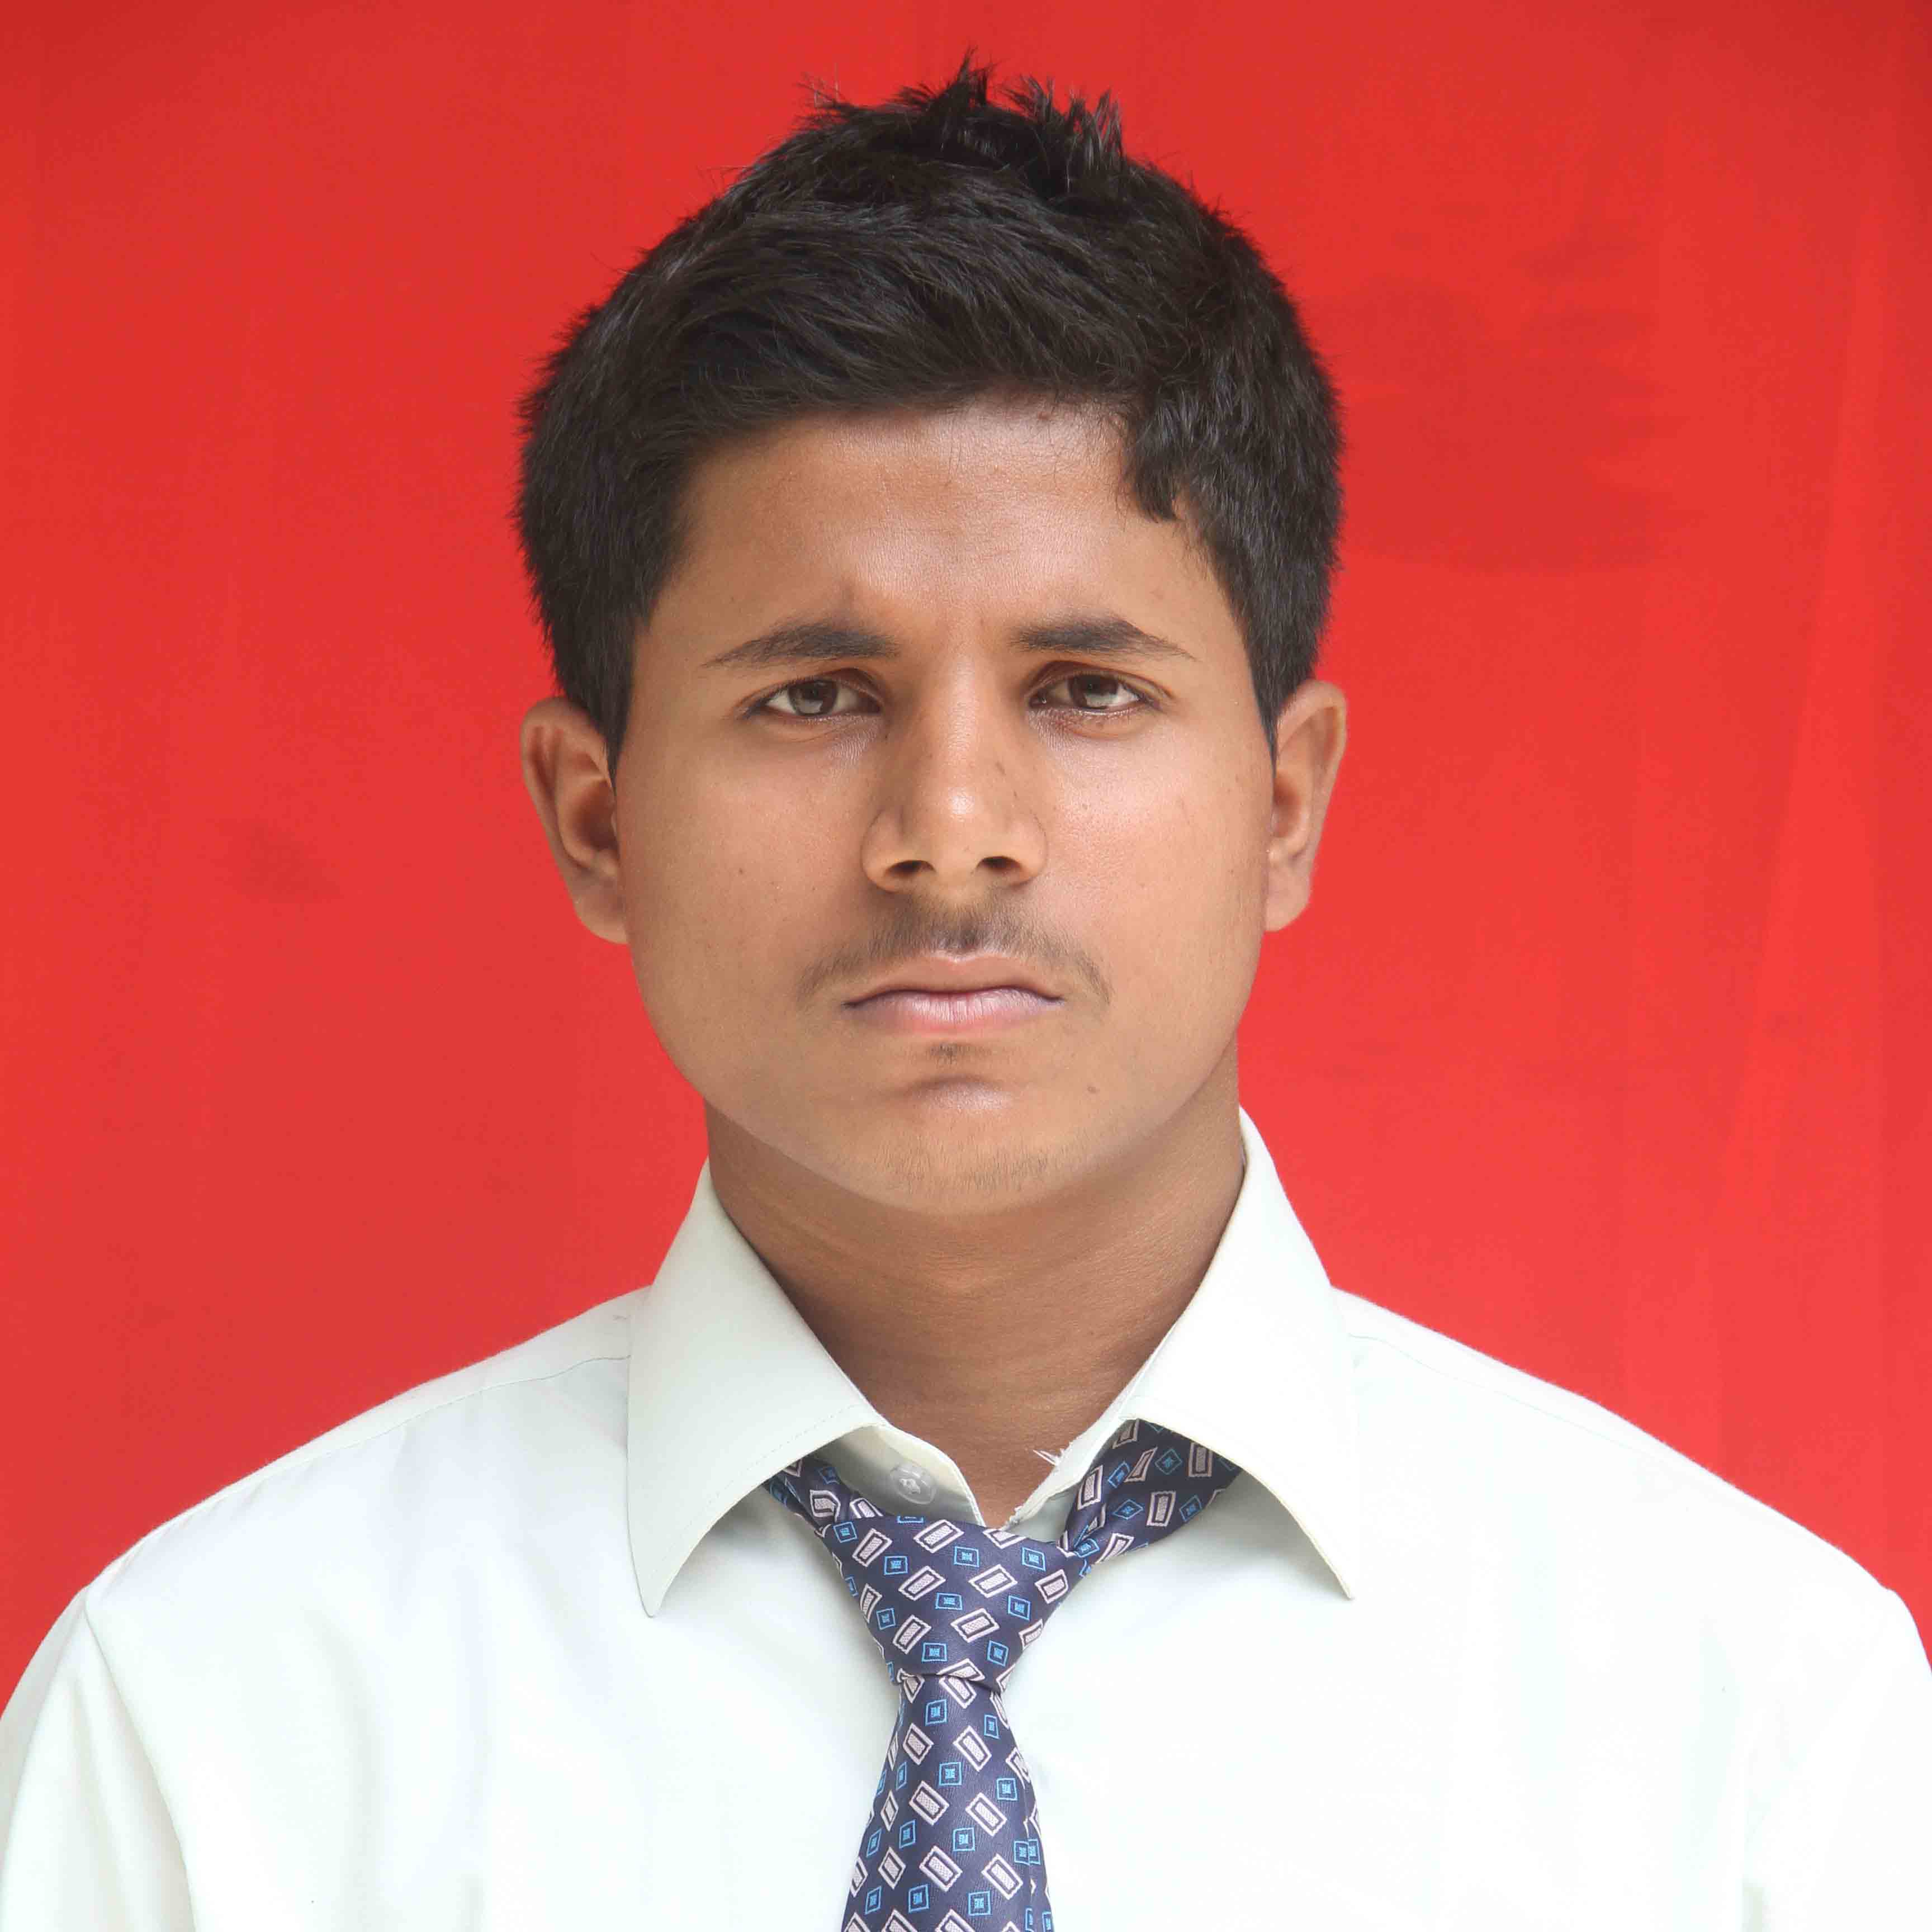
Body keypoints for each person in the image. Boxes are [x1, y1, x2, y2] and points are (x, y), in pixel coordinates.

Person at [2, 52, 1926, 1930]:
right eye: (812, 697)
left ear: (1284, 803)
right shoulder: (208, 1733)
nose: (949, 833)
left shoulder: (1753, 1734)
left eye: (1088, 690)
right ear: (597, 820)